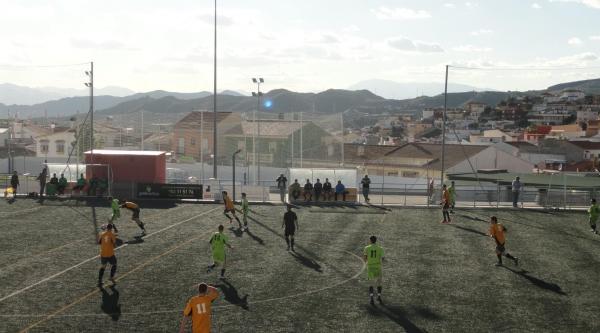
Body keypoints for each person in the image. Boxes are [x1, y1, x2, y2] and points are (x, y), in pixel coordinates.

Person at [363, 235, 384, 305]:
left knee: (371, 284)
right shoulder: (380, 248)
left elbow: (365, 258)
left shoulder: (367, 248)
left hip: (370, 267)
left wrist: (367, 262)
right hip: (378, 267)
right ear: (376, 240)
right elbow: (382, 258)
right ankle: (379, 296)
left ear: (370, 240)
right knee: (379, 283)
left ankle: (371, 298)